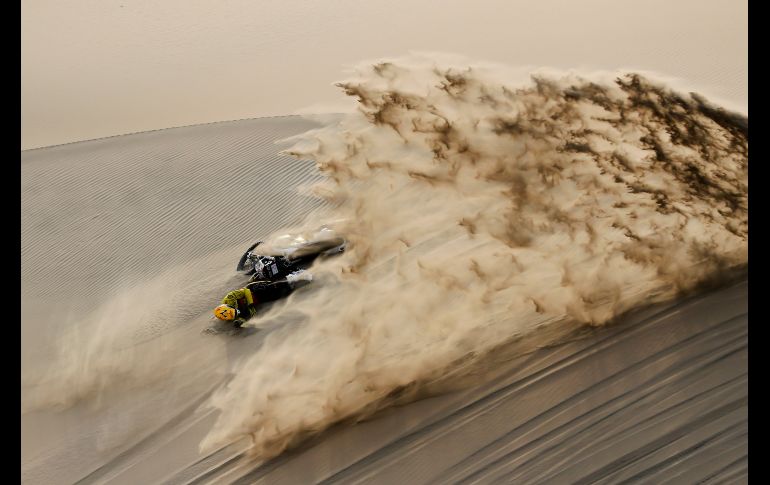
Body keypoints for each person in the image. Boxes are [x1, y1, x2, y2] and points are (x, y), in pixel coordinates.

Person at [213, 270, 312, 326]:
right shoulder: (228, 316)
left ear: (228, 305)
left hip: (252, 290)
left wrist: (250, 303)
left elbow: (245, 291)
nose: (236, 313)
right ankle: (294, 287)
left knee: (271, 287)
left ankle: (293, 277)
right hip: (258, 301)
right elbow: (247, 317)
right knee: (279, 295)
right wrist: (241, 321)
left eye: (233, 311)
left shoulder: (230, 297)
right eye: (233, 315)